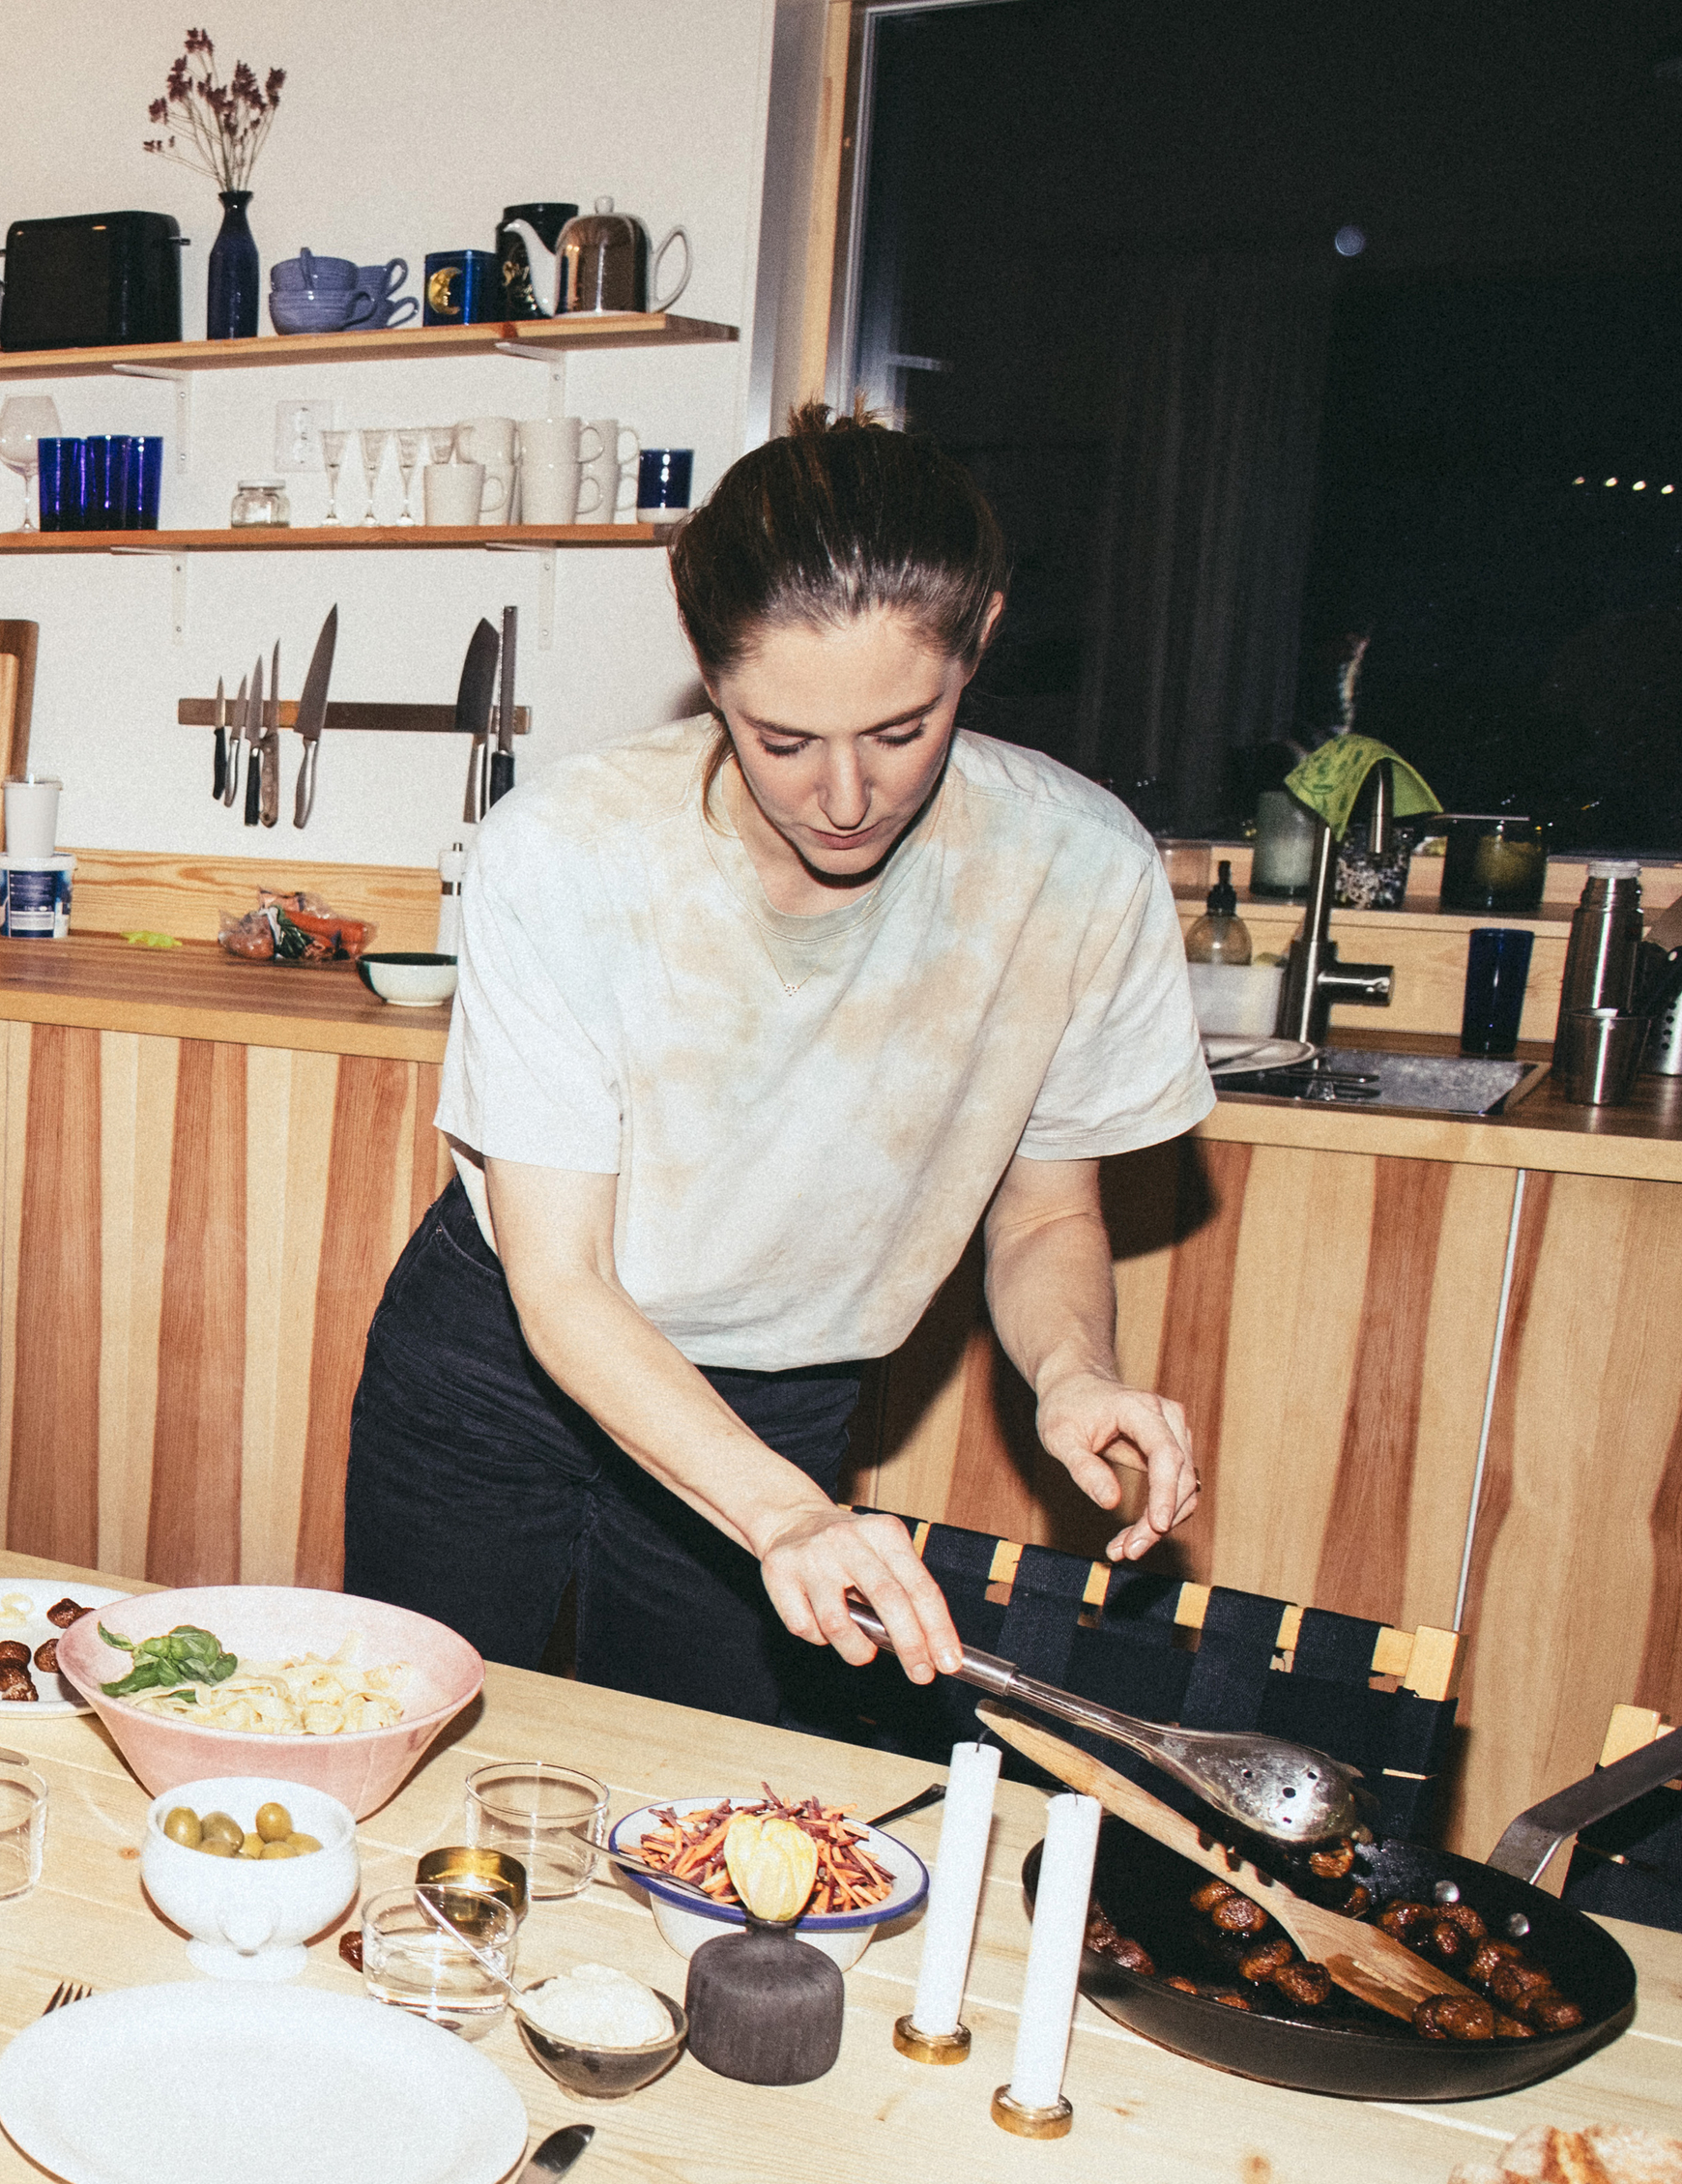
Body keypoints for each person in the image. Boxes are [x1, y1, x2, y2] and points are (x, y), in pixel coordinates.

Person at [342, 406, 1212, 1728]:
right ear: (706, 666)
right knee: (411, 1754)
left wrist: (1076, 1370)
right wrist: (790, 1519)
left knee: (701, 1816)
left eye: (901, 729)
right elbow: (564, 1283)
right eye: (785, 740)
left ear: (979, 636)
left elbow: (1047, 1212)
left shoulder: (1078, 869)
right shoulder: (569, 851)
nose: (847, 796)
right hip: (500, 1371)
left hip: (786, 1393)